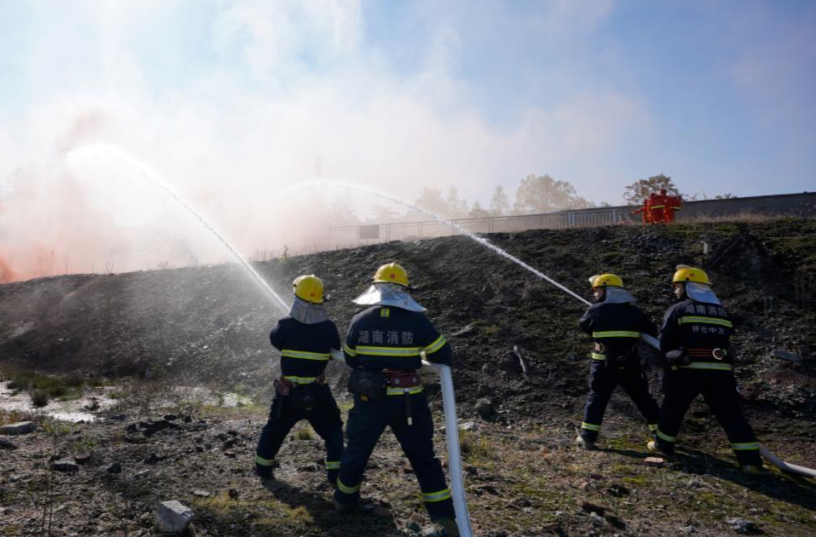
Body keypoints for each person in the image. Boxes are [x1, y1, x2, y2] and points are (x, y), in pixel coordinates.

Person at [334, 263, 459, 536]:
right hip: (408, 402)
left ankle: (344, 500)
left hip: (370, 400)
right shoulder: (417, 321)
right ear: (405, 291)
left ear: (375, 288)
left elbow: (352, 358)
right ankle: (443, 517)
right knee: (423, 458)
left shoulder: (361, 319)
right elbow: (443, 355)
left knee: (357, 450)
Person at [648, 266, 770, 475]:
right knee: (731, 414)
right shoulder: (722, 311)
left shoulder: (678, 309)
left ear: (687, 287)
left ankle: (663, 445)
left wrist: (669, 362)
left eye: (677, 286)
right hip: (720, 371)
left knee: (673, 408)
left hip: (688, 369)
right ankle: (751, 461)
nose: (675, 291)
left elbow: (666, 342)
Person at [255, 275, 344, 485]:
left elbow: (276, 341)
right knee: (333, 432)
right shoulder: (329, 327)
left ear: (297, 297)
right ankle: (335, 475)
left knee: (274, 431)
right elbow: (333, 351)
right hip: (318, 392)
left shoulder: (285, 325)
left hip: (288, 392)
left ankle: (263, 470)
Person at [575, 274, 660, 450]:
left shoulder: (595, 310)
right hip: (630, 362)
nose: (594, 295)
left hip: (603, 363)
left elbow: (585, 326)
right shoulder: (635, 312)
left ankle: (588, 438)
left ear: (607, 290)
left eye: (597, 290)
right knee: (643, 398)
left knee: (598, 397)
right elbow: (651, 330)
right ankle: (662, 436)